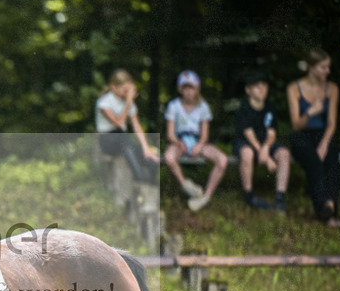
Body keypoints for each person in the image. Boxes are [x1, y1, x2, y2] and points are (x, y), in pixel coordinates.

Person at [287, 48, 340, 226]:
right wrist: (311, 112)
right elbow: (296, 124)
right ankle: (326, 209)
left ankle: (330, 207)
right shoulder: (294, 88)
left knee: (332, 158)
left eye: (328, 67)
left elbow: (332, 122)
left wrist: (324, 144)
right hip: (301, 135)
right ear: (311, 68)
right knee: (314, 162)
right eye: (323, 67)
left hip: (323, 134)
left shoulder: (332, 88)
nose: (328, 71)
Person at [162, 70, 228, 212]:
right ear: (180, 89)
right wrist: (179, 143)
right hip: (179, 142)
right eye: (185, 88)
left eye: (191, 88)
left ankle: (206, 196)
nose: (189, 92)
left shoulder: (203, 107)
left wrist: (199, 145)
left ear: (197, 89)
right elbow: (170, 134)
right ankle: (186, 185)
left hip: (198, 142)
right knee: (169, 157)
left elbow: (205, 134)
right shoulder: (174, 106)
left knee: (222, 160)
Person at [233, 70, 290, 213]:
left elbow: (272, 133)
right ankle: (249, 196)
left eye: (264, 85)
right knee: (247, 154)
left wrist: (266, 149)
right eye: (257, 86)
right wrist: (266, 157)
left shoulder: (270, 107)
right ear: (248, 90)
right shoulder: (244, 108)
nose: (262, 89)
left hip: (265, 144)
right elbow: (249, 135)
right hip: (247, 143)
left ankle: (280, 198)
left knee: (284, 154)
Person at [94, 69, 161, 183]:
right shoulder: (104, 103)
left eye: (129, 91)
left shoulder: (128, 102)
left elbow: (136, 126)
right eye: (125, 90)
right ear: (114, 87)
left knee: (150, 154)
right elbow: (119, 124)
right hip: (107, 140)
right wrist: (128, 103)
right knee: (122, 136)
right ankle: (138, 175)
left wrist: (146, 148)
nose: (127, 94)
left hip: (124, 142)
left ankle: (150, 181)